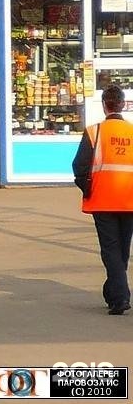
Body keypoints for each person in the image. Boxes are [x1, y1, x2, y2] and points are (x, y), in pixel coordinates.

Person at [72, 84, 133, 315]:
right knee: (122, 250)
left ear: (105, 105)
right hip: (129, 200)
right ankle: (113, 292)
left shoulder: (94, 132)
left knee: (111, 250)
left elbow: (79, 166)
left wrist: (87, 188)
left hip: (103, 200)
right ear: (123, 104)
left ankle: (119, 297)